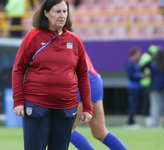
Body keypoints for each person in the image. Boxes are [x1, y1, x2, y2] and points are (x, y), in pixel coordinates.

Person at [12, 0, 93, 150]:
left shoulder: (75, 41)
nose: (62, 15)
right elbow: (18, 69)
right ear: (46, 13)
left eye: (64, 11)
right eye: (57, 12)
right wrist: (18, 101)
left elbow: (83, 75)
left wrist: (87, 107)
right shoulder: (33, 37)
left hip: (66, 107)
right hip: (36, 105)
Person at [70, 51, 128, 150]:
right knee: (99, 132)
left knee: (66, 129)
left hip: (82, 82)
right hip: (94, 79)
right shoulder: (72, 39)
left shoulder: (53, 40)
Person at [141, 48, 164, 127]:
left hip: (155, 87)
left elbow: (142, 67)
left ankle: (155, 123)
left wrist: (148, 75)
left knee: (155, 106)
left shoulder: (153, 64)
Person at [125, 48, 148, 127]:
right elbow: (131, 76)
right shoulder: (130, 63)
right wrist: (141, 75)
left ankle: (132, 121)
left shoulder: (134, 63)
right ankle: (130, 122)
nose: (139, 55)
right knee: (132, 104)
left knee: (134, 104)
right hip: (133, 87)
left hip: (136, 87)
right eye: (138, 53)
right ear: (134, 54)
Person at [138, 45, 158, 126]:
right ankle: (148, 120)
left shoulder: (144, 57)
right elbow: (144, 70)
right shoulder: (148, 59)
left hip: (145, 83)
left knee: (148, 101)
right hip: (147, 83)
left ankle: (148, 120)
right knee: (148, 102)